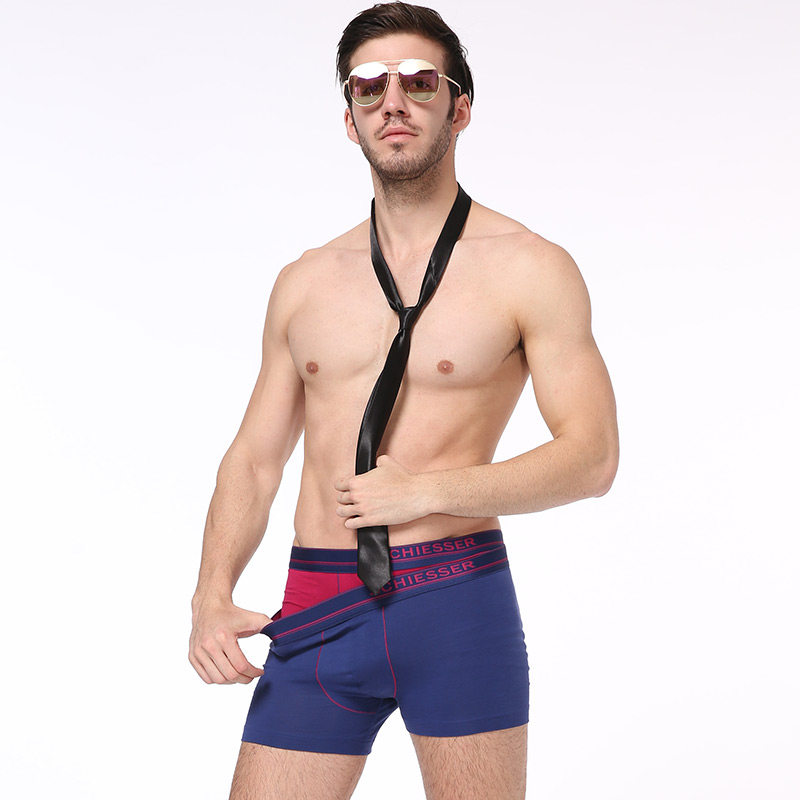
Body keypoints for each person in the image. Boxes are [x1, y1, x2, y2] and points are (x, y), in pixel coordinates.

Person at [189, 2, 619, 798]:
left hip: (453, 602)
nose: (393, 102)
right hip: (316, 604)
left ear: (459, 109)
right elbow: (254, 459)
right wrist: (211, 593)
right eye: (369, 87)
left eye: (419, 83)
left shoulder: (531, 268)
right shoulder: (305, 281)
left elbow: (591, 458)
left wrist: (427, 490)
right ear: (349, 119)